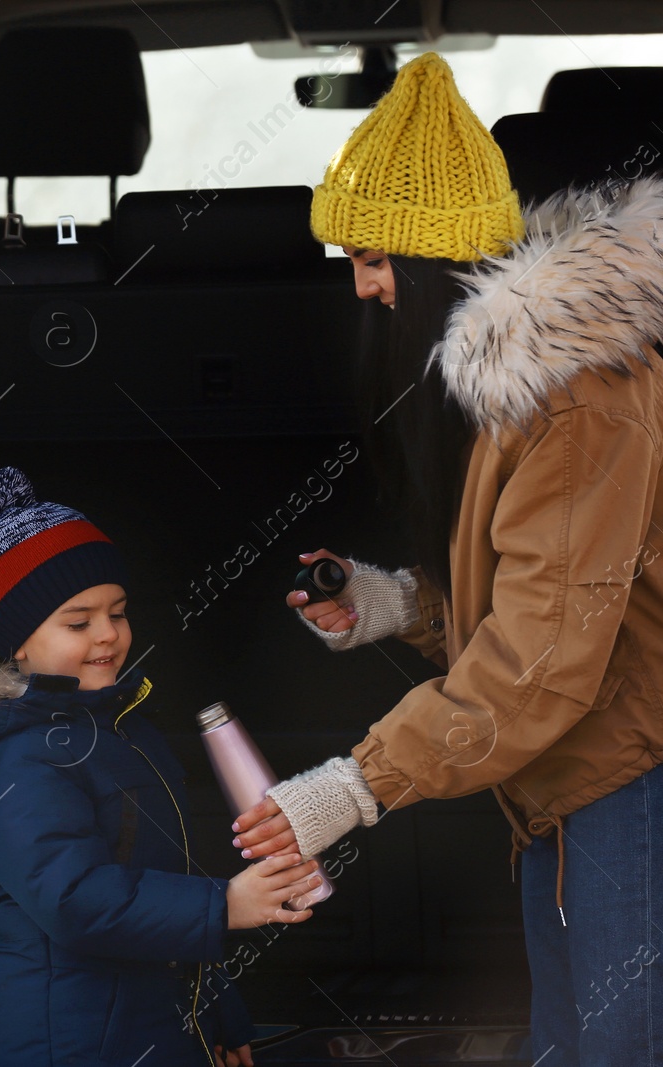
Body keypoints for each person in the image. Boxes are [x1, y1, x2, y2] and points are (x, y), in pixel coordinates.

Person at [230, 53, 663, 1064]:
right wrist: (391, 605)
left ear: (433, 256)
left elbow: (541, 664)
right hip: (570, 781)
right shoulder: (519, 384)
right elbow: (538, 601)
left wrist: (352, 784)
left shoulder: (581, 395)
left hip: (627, 781)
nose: (363, 287)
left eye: (372, 258)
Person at [0, 467, 321, 1067]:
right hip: (70, 1043)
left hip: (153, 1031)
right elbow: (75, 900)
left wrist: (219, 1021)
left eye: (118, 612)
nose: (108, 635)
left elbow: (166, 887)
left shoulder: (122, 730)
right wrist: (225, 904)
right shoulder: (12, 757)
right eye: (78, 622)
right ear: (16, 641)